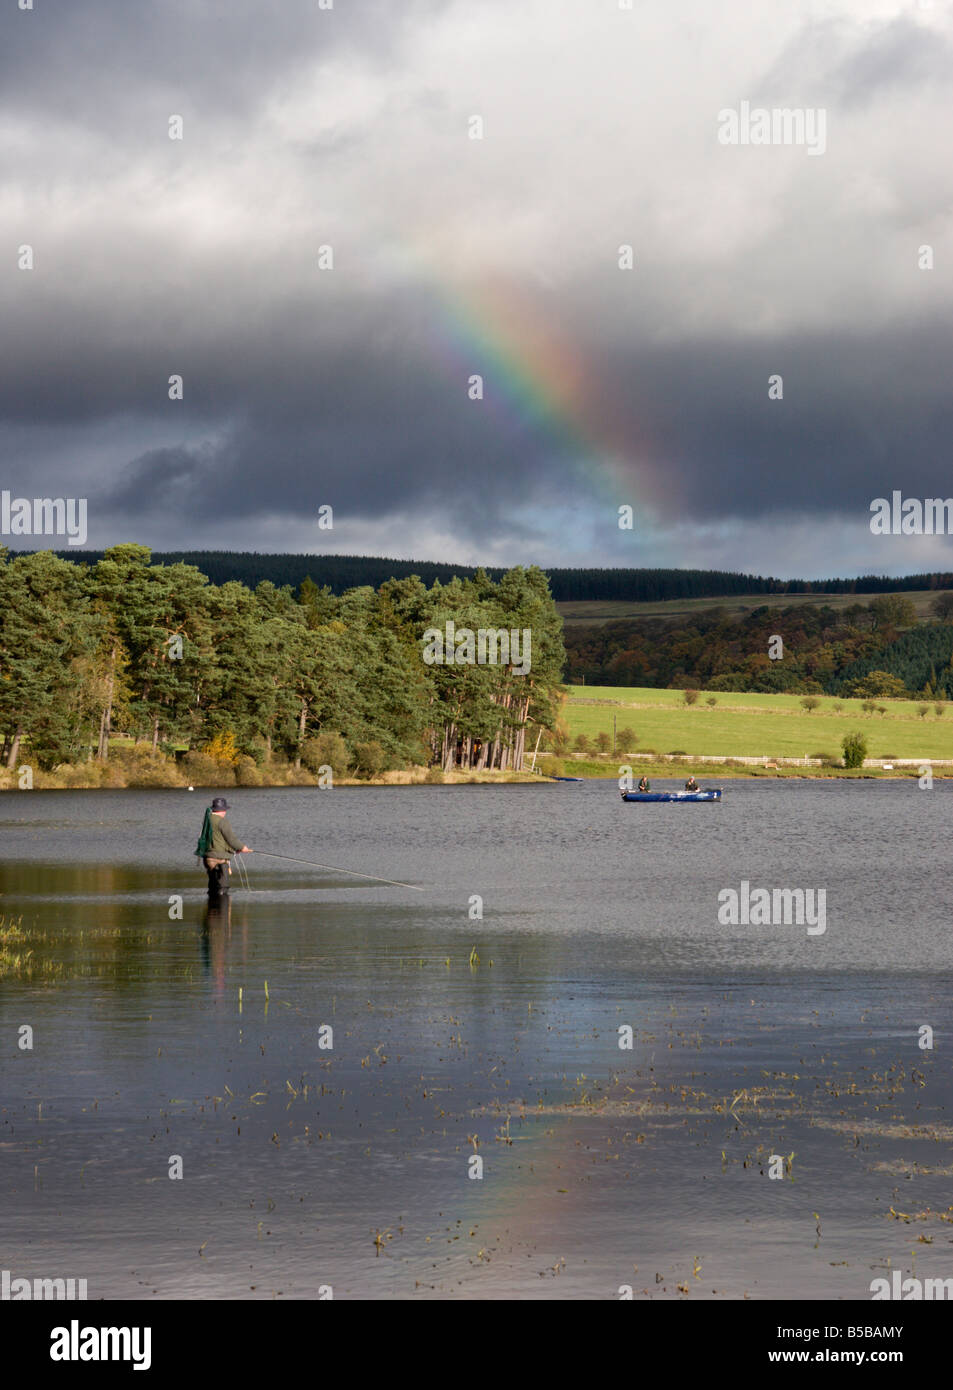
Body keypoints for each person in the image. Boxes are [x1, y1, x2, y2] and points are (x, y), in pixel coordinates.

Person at [196, 796, 251, 897]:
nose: (226, 812)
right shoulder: (222, 821)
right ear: (223, 810)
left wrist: (233, 849)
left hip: (208, 858)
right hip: (220, 858)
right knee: (223, 887)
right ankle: (222, 907)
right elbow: (231, 839)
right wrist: (243, 848)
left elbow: (217, 839)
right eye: (225, 810)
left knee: (213, 885)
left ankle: (212, 909)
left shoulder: (207, 820)